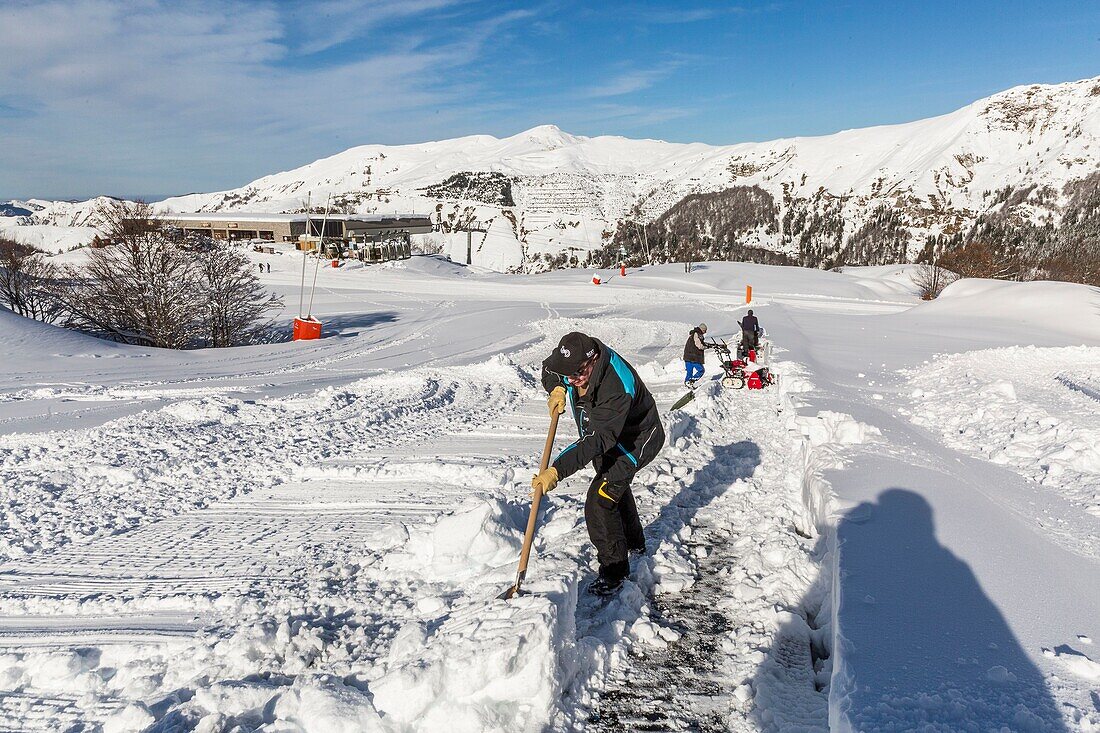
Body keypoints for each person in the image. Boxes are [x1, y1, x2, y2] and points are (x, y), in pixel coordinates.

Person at [533, 332, 666, 596]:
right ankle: (635, 542)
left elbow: (597, 441)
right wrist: (556, 388)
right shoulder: (575, 360)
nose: (572, 380)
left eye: (577, 374)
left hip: (635, 441)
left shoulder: (616, 387)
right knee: (613, 484)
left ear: (593, 361)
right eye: (568, 375)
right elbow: (550, 369)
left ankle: (615, 572)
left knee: (600, 501)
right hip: (603, 434)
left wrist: (557, 470)